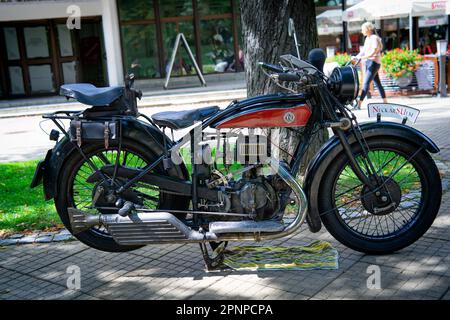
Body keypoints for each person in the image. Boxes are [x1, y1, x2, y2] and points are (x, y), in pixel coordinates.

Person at [352, 22, 387, 110]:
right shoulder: (367, 38)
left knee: (365, 83)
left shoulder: (374, 38)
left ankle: (359, 105)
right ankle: (385, 102)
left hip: (373, 63)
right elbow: (363, 51)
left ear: (368, 29)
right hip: (369, 62)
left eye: (363, 29)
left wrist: (365, 57)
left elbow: (375, 51)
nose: (362, 31)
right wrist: (357, 57)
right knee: (377, 83)